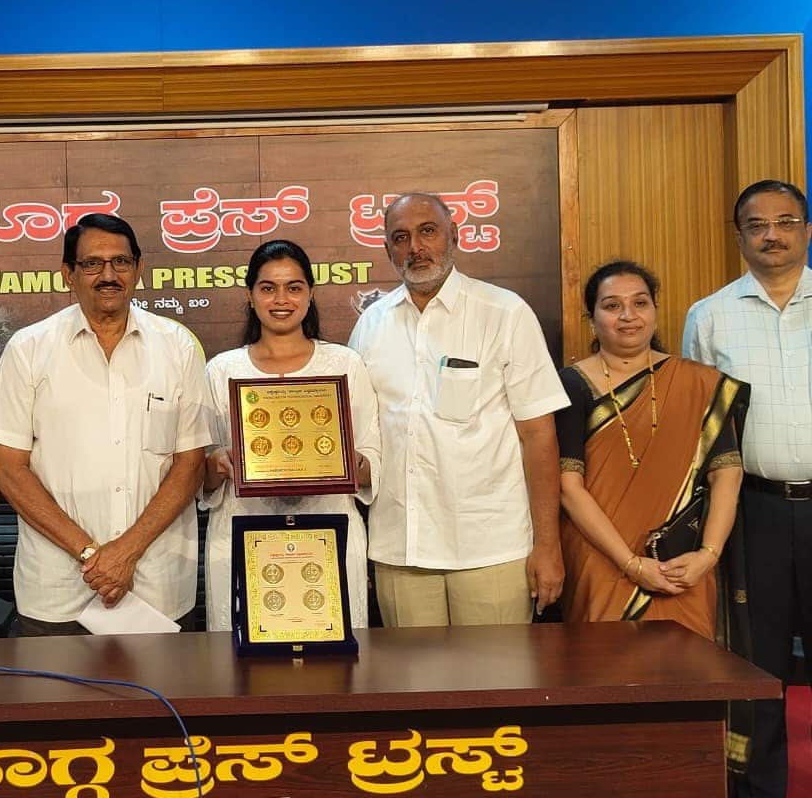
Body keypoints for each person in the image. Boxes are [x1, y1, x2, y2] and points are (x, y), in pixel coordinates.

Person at [0, 213, 211, 635]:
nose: (108, 275)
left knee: (166, 684)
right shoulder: (28, 349)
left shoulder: (177, 347)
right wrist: (91, 555)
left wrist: (126, 552)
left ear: (138, 269)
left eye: (120, 262)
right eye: (92, 264)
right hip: (57, 590)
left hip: (157, 587)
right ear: (68, 273)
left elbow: (191, 463)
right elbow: (9, 469)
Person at [348, 192, 568, 627]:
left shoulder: (504, 313)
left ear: (455, 236)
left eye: (428, 232)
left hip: (490, 548)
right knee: (412, 675)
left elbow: (538, 435)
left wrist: (548, 544)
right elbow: (359, 433)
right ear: (387, 250)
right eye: (401, 237)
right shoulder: (371, 324)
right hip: (400, 549)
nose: (415, 247)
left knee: (496, 672)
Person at [683, 179, 812, 798]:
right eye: (756, 225)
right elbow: (699, 428)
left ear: (806, 231)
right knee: (758, 665)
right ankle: (761, 789)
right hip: (753, 511)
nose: (771, 235)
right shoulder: (709, 316)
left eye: (785, 222)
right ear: (739, 237)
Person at [555, 260, 744, 641]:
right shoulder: (570, 385)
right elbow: (568, 487)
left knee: (685, 665)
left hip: (683, 563)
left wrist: (708, 555)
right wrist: (630, 563)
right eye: (612, 305)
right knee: (605, 666)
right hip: (600, 558)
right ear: (592, 318)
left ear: (655, 311)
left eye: (640, 303)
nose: (628, 316)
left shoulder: (698, 383)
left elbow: (727, 472)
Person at [202, 239, 382, 631]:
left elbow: (372, 463)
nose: (281, 299)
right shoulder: (221, 371)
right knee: (243, 659)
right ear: (250, 295)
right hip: (243, 538)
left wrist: (345, 462)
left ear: (310, 294)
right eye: (268, 288)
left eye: (294, 287)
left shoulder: (344, 364)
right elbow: (203, 476)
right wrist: (218, 463)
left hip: (329, 536)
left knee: (335, 660)